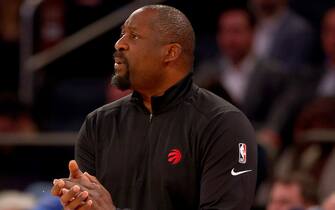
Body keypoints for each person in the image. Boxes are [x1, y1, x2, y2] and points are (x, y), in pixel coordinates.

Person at [51, 4, 257, 210]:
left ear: (170, 52)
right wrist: (78, 202)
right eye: (122, 34)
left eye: (134, 36)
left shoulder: (224, 124)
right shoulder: (98, 124)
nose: (119, 44)